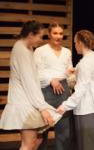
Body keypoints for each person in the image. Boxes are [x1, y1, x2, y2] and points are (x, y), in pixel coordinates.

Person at [0, 20, 61, 150]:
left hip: (29, 101)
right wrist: (42, 108)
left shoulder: (27, 49)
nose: (40, 40)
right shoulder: (21, 50)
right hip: (24, 103)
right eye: (39, 36)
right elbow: (29, 82)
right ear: (30, 35)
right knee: (28, 144)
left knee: (36, 141)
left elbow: (33, 80)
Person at [56, 30, 94, 150]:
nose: (75, 45)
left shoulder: (85, 63)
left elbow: (80, 90)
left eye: (75, 43)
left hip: (86, 110)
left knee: (87, 146)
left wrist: (64, 106)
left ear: (81, 43)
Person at [34, 22, 73, 150]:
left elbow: (70, 72)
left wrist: (72, 76)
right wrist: (51, 79)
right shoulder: (40, 51)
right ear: (49, 34)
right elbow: (35, 71)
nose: (58, 36)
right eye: (55, 33)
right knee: (42, 131)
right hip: (46, 91)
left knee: (64, 131)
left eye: (61, 33)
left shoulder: (67, 52)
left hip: (63, 91)